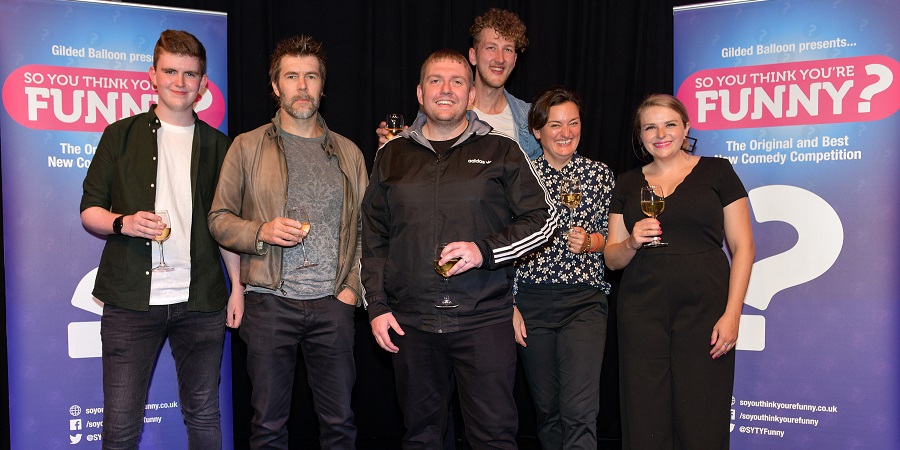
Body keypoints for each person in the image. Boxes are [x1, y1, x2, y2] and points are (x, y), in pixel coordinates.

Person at [361, 49, 557, 449]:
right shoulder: (391, 156)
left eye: (457, 82)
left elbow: (545, 218)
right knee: (420, 436)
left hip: (483, 320)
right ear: (420, 92)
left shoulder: (502, 150)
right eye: (435, 80)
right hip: (410, 323)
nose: (445, 90)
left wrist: (484, 251)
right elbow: (373, 236)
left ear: (470, 95)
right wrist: (377, 306)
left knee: (493, 438)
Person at [80, 29, 240, 449]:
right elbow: (89, 210)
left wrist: (237, 289)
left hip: (201, 301)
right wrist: (124, 223)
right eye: (171, 71)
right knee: (120, 425)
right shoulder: (120, 135)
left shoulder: (222, 147)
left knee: (204, 414)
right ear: (152, 74)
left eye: (190, 74)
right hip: (130, 301)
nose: (180, 82)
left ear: (204, 84)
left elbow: (225, 226)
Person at [207, 35, 367, 449]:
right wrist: (260, 231)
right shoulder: (246, 146)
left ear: (322, 85)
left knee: (340, 425)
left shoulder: (349, 152)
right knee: (268, 428)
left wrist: (352, 289)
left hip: (334, 305)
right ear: (275, 86)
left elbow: (368, 229)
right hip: (269, 302)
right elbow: (218, 219)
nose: (302, 86)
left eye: (311, 77)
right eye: (291, 76)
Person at [604, 94, 755, 449]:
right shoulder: (626, 184)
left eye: (670, 124)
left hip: (706, 309)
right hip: (641, 310)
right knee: (644, 415)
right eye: (650, 127)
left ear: (686, 128)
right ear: (640, 136)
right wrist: (631, 242)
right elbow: (612, 259)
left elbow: (744, 247)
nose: (661, 133)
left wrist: (732, 314)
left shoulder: (718, 171)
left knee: (702, 412)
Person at [512, 87, 614, 450]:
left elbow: (610, 239)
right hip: (531, 303)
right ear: (537, 131)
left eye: (573, 122)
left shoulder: (599, 174)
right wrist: (511, 305)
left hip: (584, 301)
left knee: (580, 410)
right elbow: (504, 247)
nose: (565, 132)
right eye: (555, 124)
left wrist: (590, 242)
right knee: (547, 410)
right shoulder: (519, 176)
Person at [376, 8, 541, 159]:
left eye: (508, 49)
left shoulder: (529, 118)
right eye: (491, 48)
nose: (500, 59)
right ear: (473, 56)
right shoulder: (439, 107)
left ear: (514, 60)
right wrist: (394, 151)